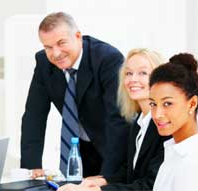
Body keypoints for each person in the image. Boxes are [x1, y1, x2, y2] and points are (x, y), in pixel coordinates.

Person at [21, 12, 129, 178]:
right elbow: (34, 116)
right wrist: (31, 168)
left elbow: (118, 119)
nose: (55, 53)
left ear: (78, 36)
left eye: (61, 43)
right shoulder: (44, 62)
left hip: (113, 147)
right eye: (48, 47)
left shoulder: (108, 59)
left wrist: (108, 176)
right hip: (78, 149)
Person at [58, 49, 171, 191]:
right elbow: (131, 172)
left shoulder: (165, 126)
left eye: (143, 73)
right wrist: (103, 181)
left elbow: (151, 185)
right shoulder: (138, 123)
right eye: (128, 73)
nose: (132, 79)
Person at [149, 53, 198, 190]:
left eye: (167, 104)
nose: (157, 114)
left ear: (192, 104)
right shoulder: (174, 152)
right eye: (153, 104)